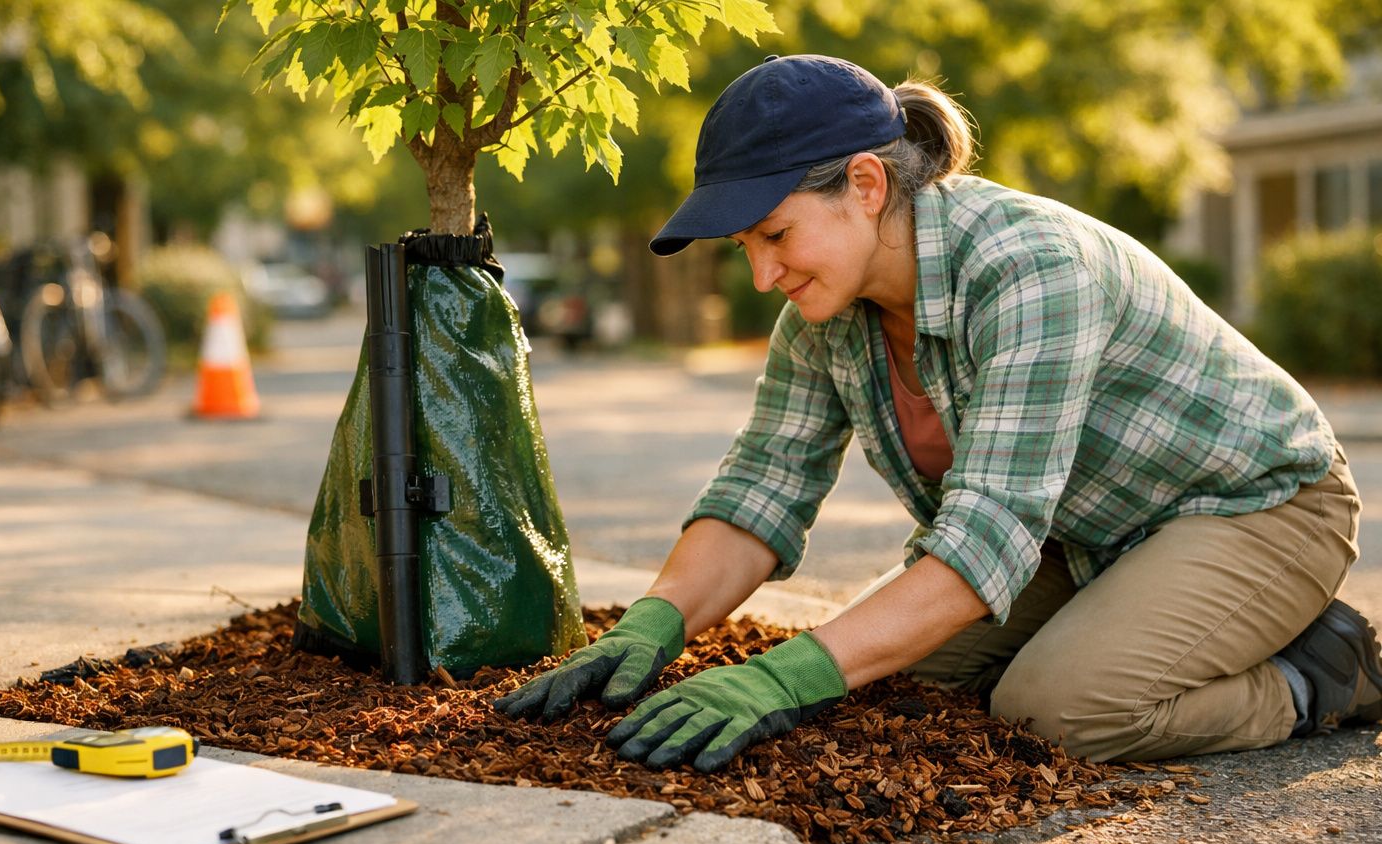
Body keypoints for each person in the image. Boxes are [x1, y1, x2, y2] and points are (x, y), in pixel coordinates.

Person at [494, 54, 1382, 770]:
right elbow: (762, 488)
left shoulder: (1030, 268)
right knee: (892, 683)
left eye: (774, 235)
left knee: (1058, 710)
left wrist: (778, 679)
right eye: (744, 249)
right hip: (1082, 536)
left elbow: (987, 535)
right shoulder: (824, 312)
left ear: (868, 185)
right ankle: (1156, 620)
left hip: (1254, 507)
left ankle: (1319, 674)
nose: (763, 274)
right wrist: (659, 620)